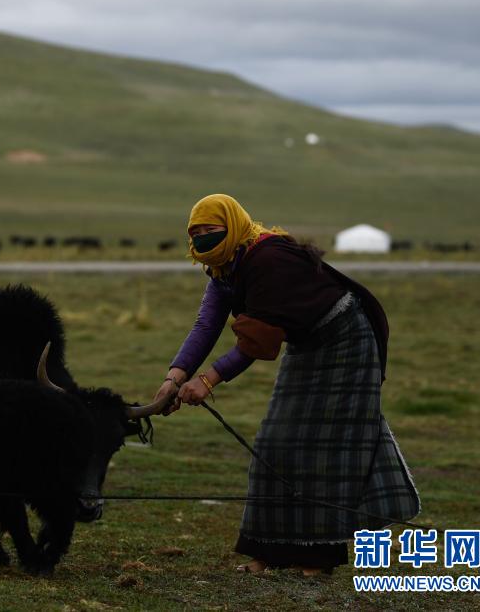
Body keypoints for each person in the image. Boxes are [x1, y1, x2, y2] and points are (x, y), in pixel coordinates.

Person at [154, 194, 419, 576]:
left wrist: (208, 380)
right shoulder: (223, 268)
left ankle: (319, 558)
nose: (203, 240)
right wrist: (173, 377)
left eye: (211, 231)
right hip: (308, 340)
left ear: (232, 225)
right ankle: (269, 553)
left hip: (347, 338)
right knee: (275, 442)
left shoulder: (266, 258)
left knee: (324, 448)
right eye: (195, 233)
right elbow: (206, 325)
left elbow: (255, 343)